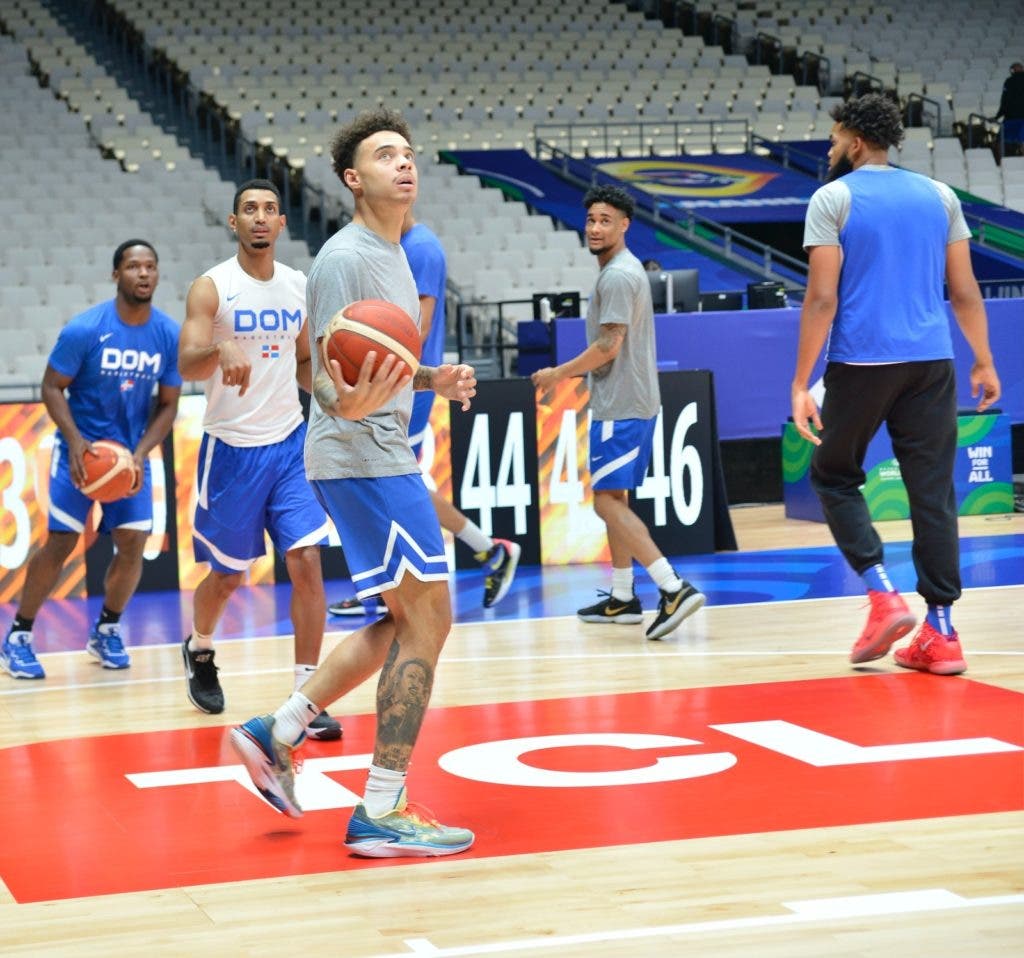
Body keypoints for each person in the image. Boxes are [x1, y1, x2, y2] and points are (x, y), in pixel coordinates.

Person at [230, 108, 477, 857]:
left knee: (408, 621)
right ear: (352, 178)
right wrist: (350, 405)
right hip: (363, 453)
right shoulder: (345, 258)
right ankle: (380, 808)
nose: (404, 163)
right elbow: (323, 374)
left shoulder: (396, 253)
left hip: (376, 449)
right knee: (430, 621)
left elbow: (379, 362)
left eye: (408, 153)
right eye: (385, 155)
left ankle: (275, 730)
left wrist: (433, 377)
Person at [791, 93, 1001, 676]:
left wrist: (801, 381)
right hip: (933, 362)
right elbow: (964, 291)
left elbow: (822, 299)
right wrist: (984, 360)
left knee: (833, 475)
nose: (830, 149)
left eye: (835, 138)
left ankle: (883, 595)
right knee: (933, 493)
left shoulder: (833, 197)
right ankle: (942, 632)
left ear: (856, 142)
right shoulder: (939, 195)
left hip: (862, 360)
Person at [176, 178, 340, 740]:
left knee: (307, 560)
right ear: (234, 222)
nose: (261, 217)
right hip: (231, 449)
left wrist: (334, 396)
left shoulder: (298, 285)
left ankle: (306, 696)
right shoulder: (212, 287)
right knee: (227, 577)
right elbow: (187, 364)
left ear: (281, 223)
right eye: (250, 209)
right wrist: (219, 348)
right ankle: (200, 648)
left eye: (270, 209)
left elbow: (303, 362)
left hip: (289, 444)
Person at [530, 186, 706, 641]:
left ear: (625, 225)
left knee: (605, 502)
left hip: (622, 405)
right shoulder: (623, 271)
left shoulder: (618, 276)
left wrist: (557, 374)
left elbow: (608, 347)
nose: (595, 228)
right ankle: (623, 596)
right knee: (615, 498)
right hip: (632, 400)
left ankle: (672, 587)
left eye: (605, 220)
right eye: (591, 219)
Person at [0, 241, 181, 680]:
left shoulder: (168, 334)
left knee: (134, 543)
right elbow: (51, 387)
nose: (143, 273)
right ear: (116, 275)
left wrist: (140, 454)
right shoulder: (85, 329)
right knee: (61, 543)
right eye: (133, 266)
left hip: (129, 459)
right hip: (79, 456)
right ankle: (18, 636)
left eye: (150, 266)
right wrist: (76, 441)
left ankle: (107, 629)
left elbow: (169, 404)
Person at [328, 206, 520, 618]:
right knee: (392, 482)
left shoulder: (421, 249)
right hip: (395, 385)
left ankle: (397, 582)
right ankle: (486, 551)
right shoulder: (394, 246)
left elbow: (418, 328)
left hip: (406, 389)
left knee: (390, 482)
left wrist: (379, 365)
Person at [994, 62, 1024, 155]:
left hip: (1010, 118)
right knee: (1022, 141)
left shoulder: (1009, 81)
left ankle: (1001, 161)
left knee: (1000, 141)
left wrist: (997, 117)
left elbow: (1004, 102)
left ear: (1012, 71)